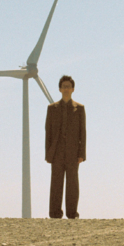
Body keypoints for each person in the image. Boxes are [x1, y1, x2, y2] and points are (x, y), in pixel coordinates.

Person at [45, 75, 86, 219]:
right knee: (56, 182)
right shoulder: (52, 108)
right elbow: (48, 132)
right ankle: (55, 213)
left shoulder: (79, 108)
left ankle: (72, 213)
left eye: (69, 86)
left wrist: (82, 154)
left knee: (72, 183)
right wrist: (48, 154)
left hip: (73, 152)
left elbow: (83, 132)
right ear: (60, 89)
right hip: (56, 152)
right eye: (64, 86)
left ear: (73, 89)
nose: (66, 89)